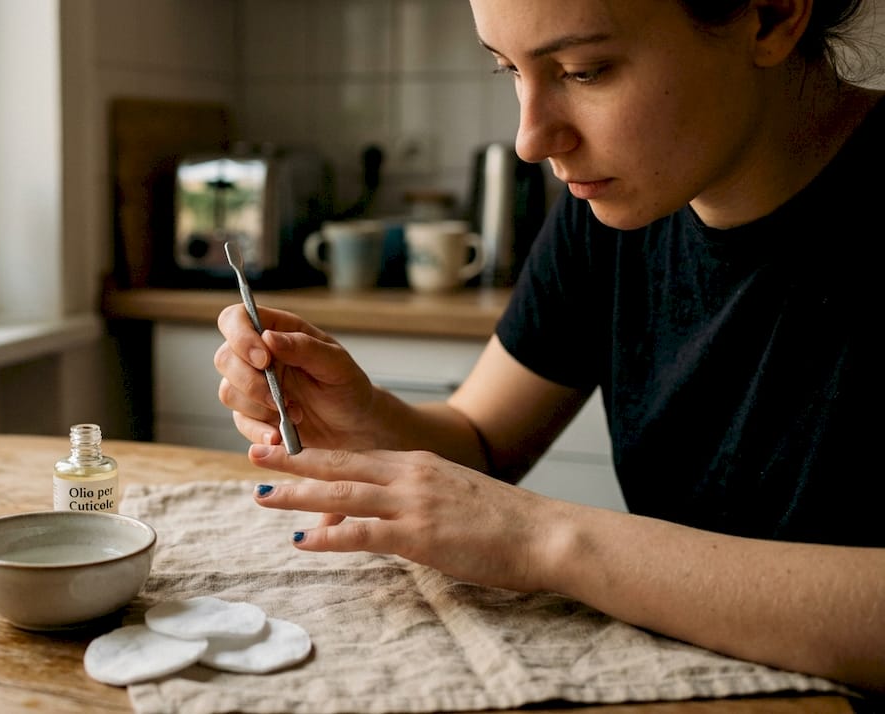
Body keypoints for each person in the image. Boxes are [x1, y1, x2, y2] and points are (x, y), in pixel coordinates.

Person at [214, 0, 885, 693]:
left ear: (772, 16)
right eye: (509, 68)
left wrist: (546, 541)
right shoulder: (615, 206)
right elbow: (480, 439)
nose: (530, 140)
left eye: (584, 71)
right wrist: (363, 415)